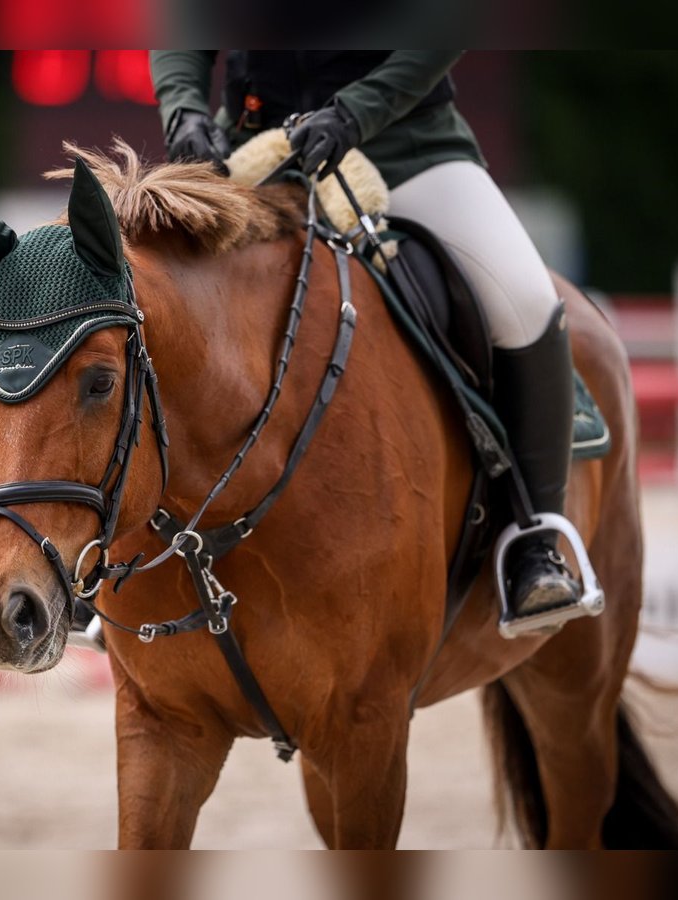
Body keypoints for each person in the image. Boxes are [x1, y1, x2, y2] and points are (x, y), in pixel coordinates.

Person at [149, 51, 582, 624]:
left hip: (406, 149)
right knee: (139, 289)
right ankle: (114, 560)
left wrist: (354, 114)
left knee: (525, 301)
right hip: (252, 152)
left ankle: (534, 543)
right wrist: (184, 114)